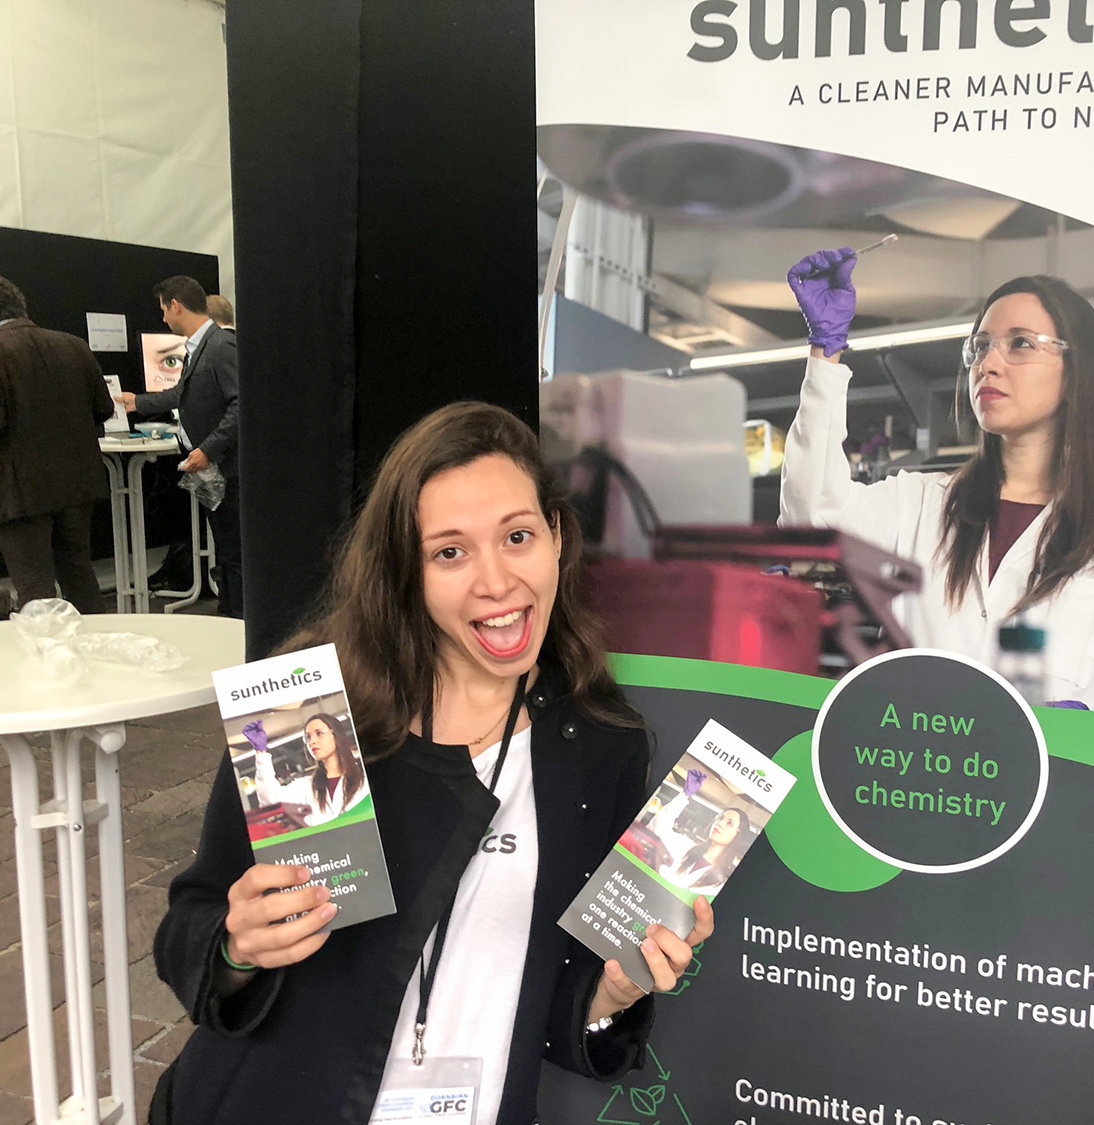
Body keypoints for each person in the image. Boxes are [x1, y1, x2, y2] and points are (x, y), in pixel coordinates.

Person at [151, 401, 713, 1125]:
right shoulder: (313, 713)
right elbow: (189, 927)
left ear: (557, 537)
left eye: (517, 536)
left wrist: (613, 993)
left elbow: (561, 991)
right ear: (407, 570)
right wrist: (236, 945)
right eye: (450, 551)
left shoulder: (600, 745)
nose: (496, 581)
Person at [781, 249, 1094, 721]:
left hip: (1053, 783)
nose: (988, 364)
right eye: (980, 346)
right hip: (913, 776)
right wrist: (825, 353)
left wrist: (1074, 719)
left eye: (1020, 344)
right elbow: (811, 525)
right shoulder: (919, 503)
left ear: (1075, 372)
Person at [116, 276, 242, 617]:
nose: (162, 319)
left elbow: (241, 404)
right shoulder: (199, 347)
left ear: (176, 305)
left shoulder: (220, 346)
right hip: (210, 467)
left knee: (233, 551)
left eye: (163, 310)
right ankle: (230, 612)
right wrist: (136, 403)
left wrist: (208, 449)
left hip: (223, 467)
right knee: (226, 549)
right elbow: (181, 396)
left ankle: (239, 621)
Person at [0, 275, 113, 613]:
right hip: (78, 485)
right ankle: (103, 655)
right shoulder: (74, 344)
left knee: (35, 587)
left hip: (18, 493)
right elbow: (104, 409)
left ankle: (51, 664)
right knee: (80, 576)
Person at [241, 713, 370, 827]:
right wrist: (261, 752)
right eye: (308, 737)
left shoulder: (363, 776)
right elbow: (271, 801)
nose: (312, 741)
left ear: (336, 736)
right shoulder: (305, 786)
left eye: (319, 733)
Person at [665, 806, 750, 897]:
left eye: (729, 823)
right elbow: (659, 828)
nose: (719, 823)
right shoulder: (686, 846)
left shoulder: (719, 883)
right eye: (720, 818)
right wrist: (683, 796)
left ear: (737, 836)